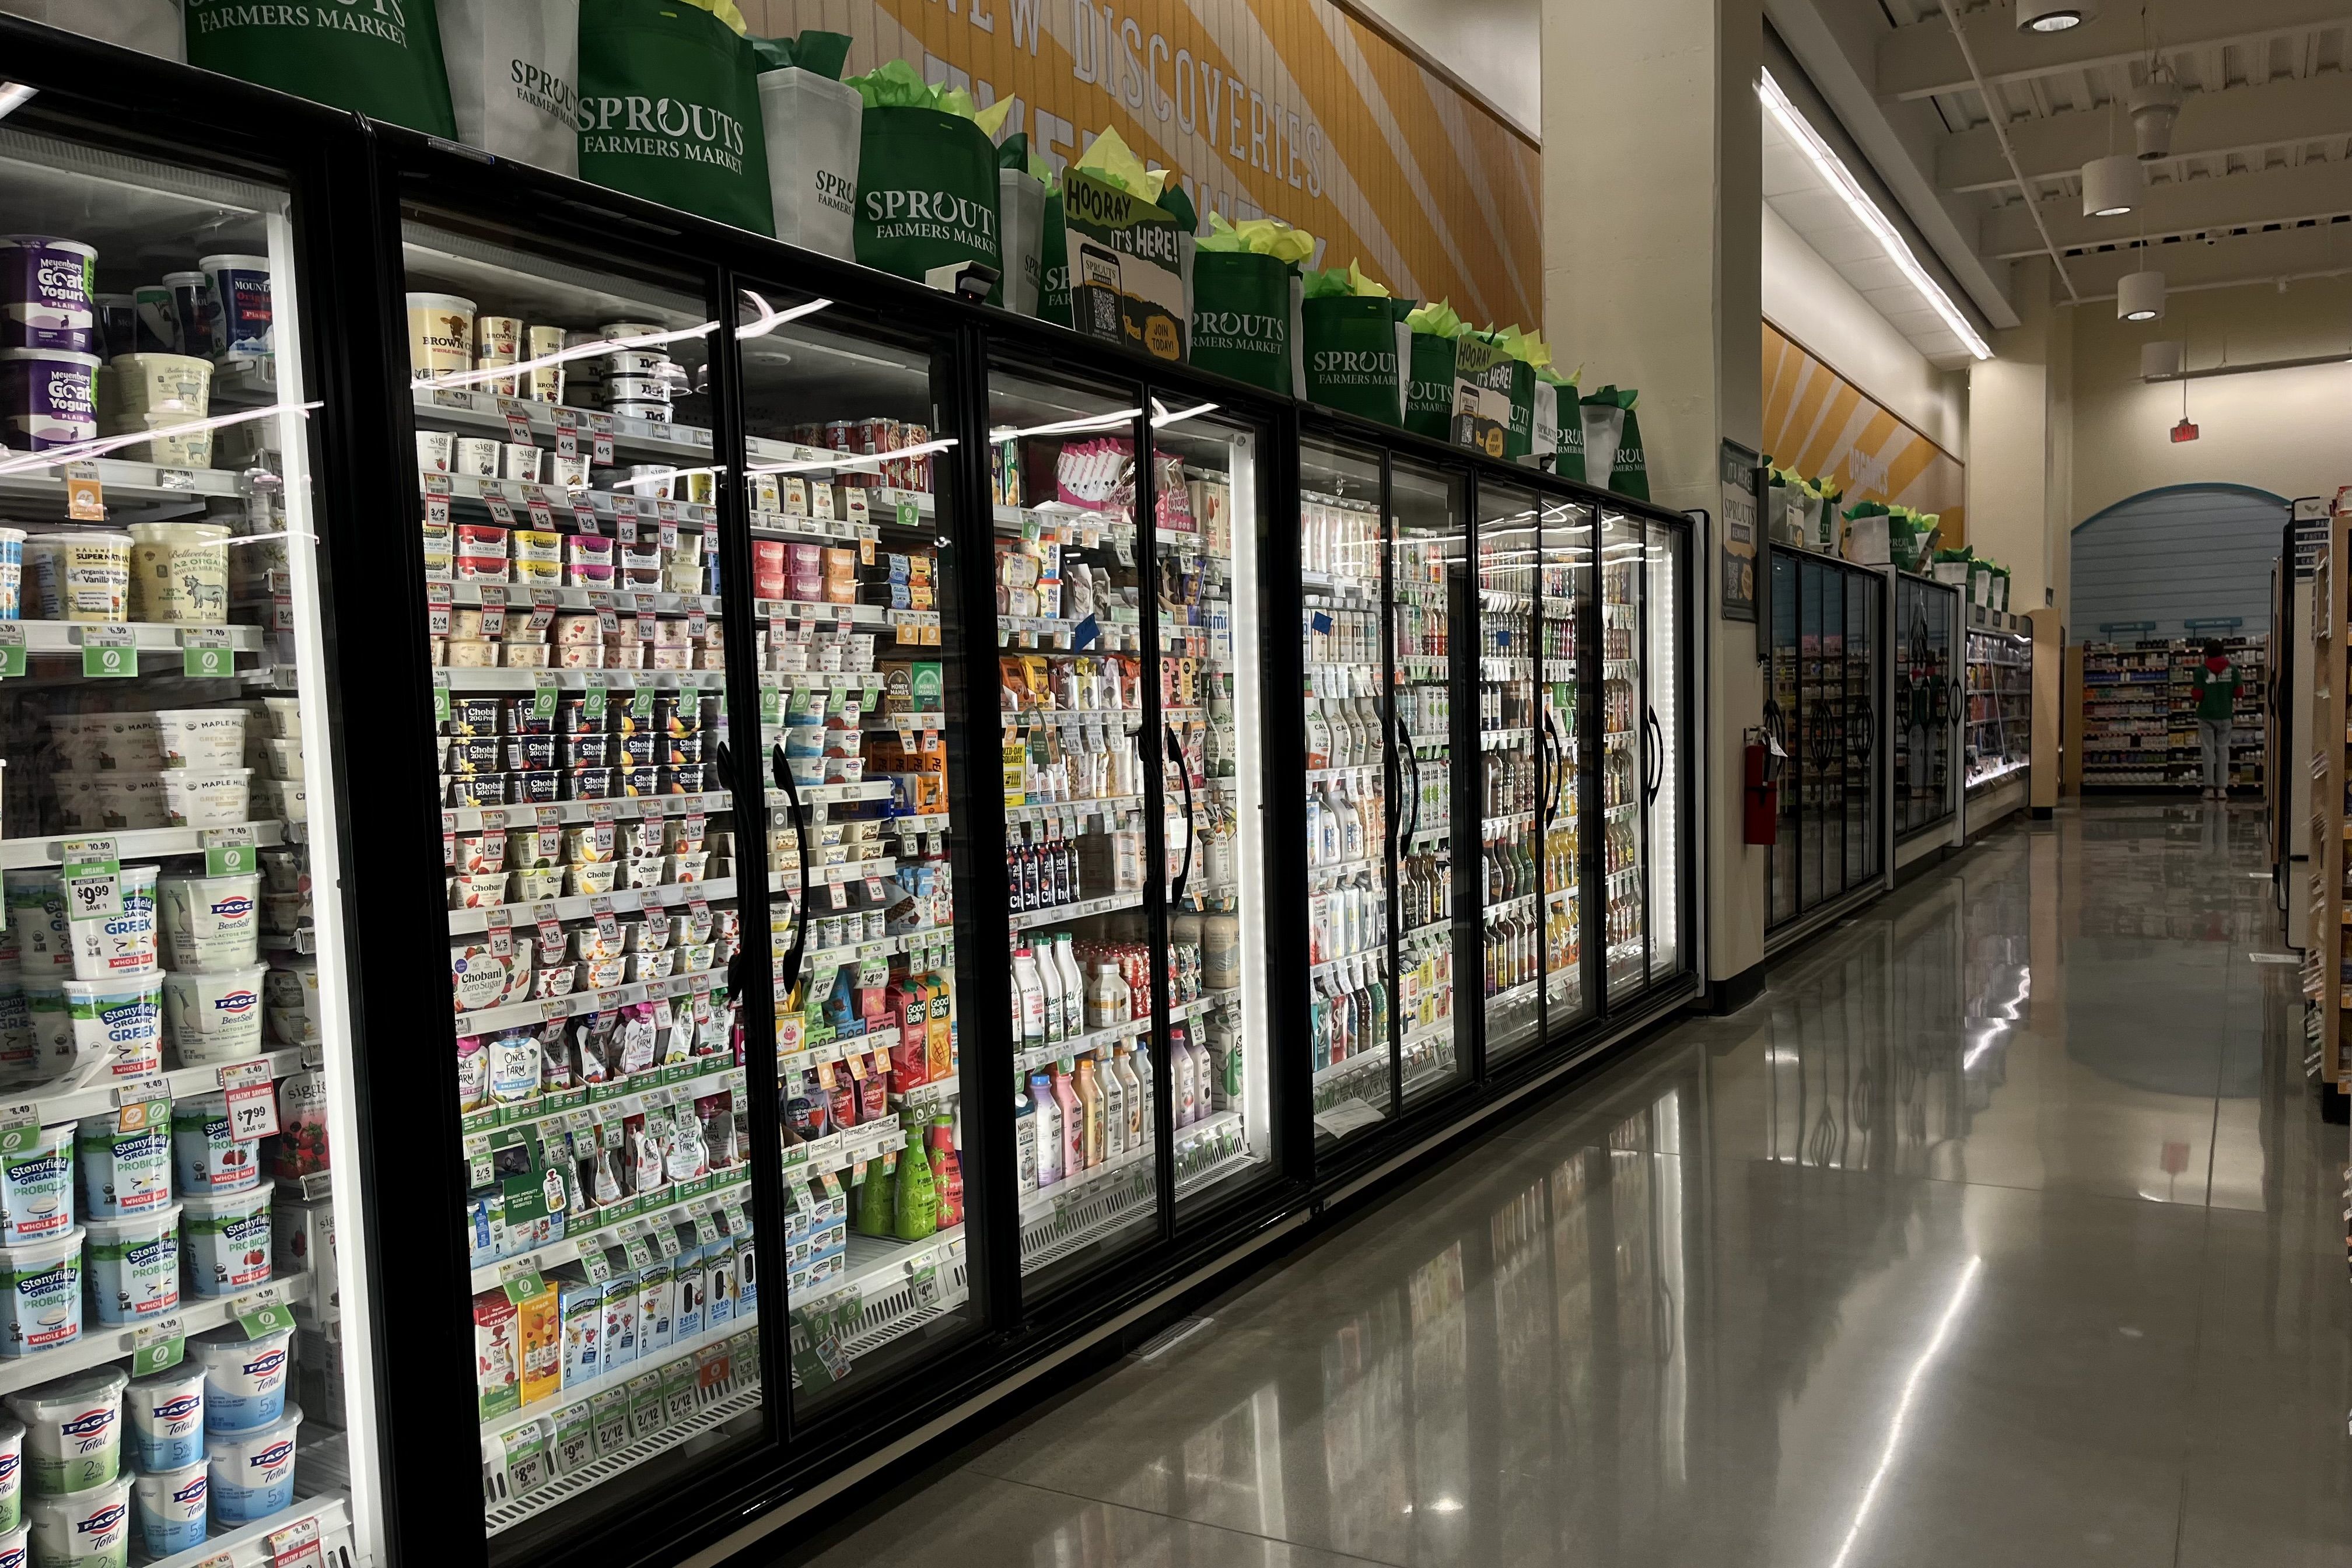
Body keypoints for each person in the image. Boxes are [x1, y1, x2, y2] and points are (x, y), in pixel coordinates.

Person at [2192, 638, 2238, 800]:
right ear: (2223, 652)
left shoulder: (2200, 671)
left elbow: (2197, 695)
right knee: (2223, 751)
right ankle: (2223, 789)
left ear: (2206, 653)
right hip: (2225, 714)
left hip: (2206, 715)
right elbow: (2239, 692)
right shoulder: (2233, 669)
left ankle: (2209, 789)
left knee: (2208, 751)